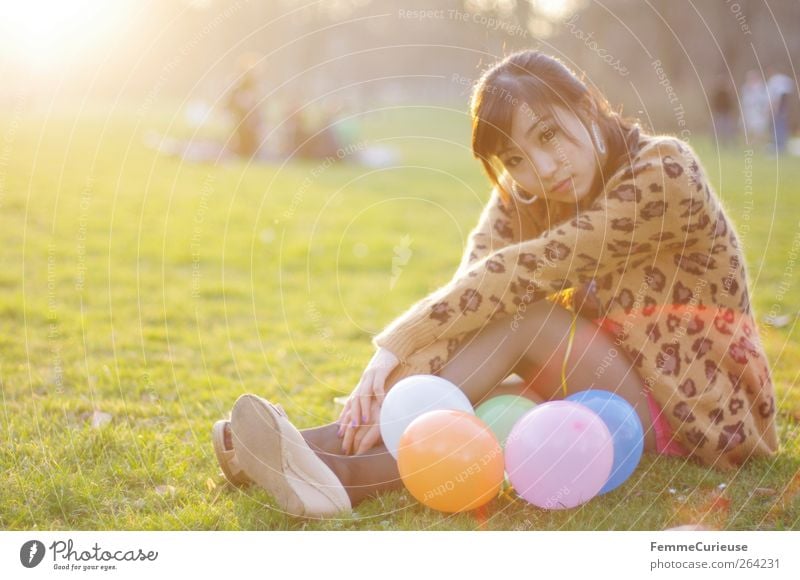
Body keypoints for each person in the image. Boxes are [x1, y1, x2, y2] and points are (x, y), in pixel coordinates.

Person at [212, 50, 779, 518]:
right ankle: (305, 448)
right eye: (515, 157)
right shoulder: (527, 194)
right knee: (495, 400)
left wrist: (393, 346)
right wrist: (396, 374)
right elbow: (469, 291)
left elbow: (518, 274)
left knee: (524, 317)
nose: (541, 167)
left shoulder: (665, 172)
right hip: (600, 388)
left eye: (549, 134)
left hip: (698, 412)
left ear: (586, 105)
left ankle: (344, 475)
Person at [766, 65, 794, 155]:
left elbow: (778, 96)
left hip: (779, 107)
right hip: (784, 107)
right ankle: (781, 145)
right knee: (781, 126)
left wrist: (774, 109)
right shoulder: (785, 79)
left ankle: (778, 146)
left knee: (777, 127)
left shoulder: (775, 81)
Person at [740, 70, 770, 147]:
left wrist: (765, 110)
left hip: (758, 112)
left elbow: (765, 100)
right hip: (748, 112)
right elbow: (744, 100)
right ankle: (748, 144)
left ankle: (758, 144)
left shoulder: (762, 88)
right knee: (746, 129)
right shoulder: (745, 88)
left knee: (759, 130)